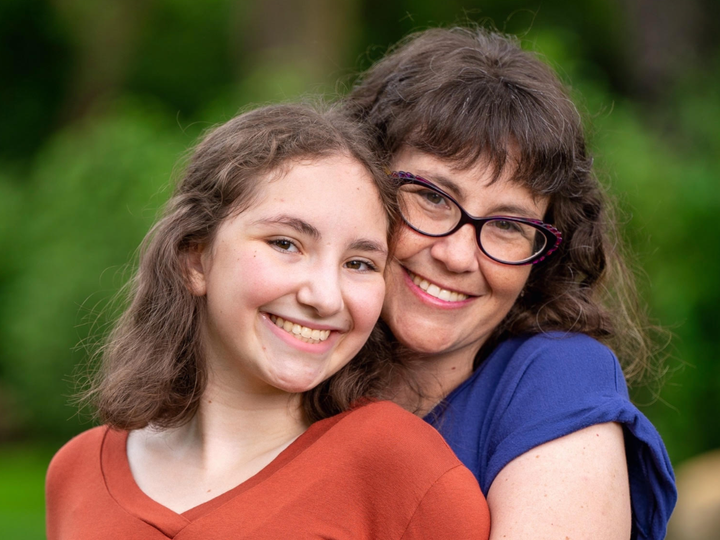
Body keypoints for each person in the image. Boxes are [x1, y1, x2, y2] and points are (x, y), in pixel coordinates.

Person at [45, 103, 490, 540]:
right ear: (195, 258)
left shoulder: (405, 472)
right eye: (285, 243)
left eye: (359, 263)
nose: (324, 296)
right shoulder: (76, 471)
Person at [343, 27, 677, 540]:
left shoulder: (556, 378)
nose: (456, 255)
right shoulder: (293, 361)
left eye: (507, 226)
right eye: (431, 196)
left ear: (543, 258)